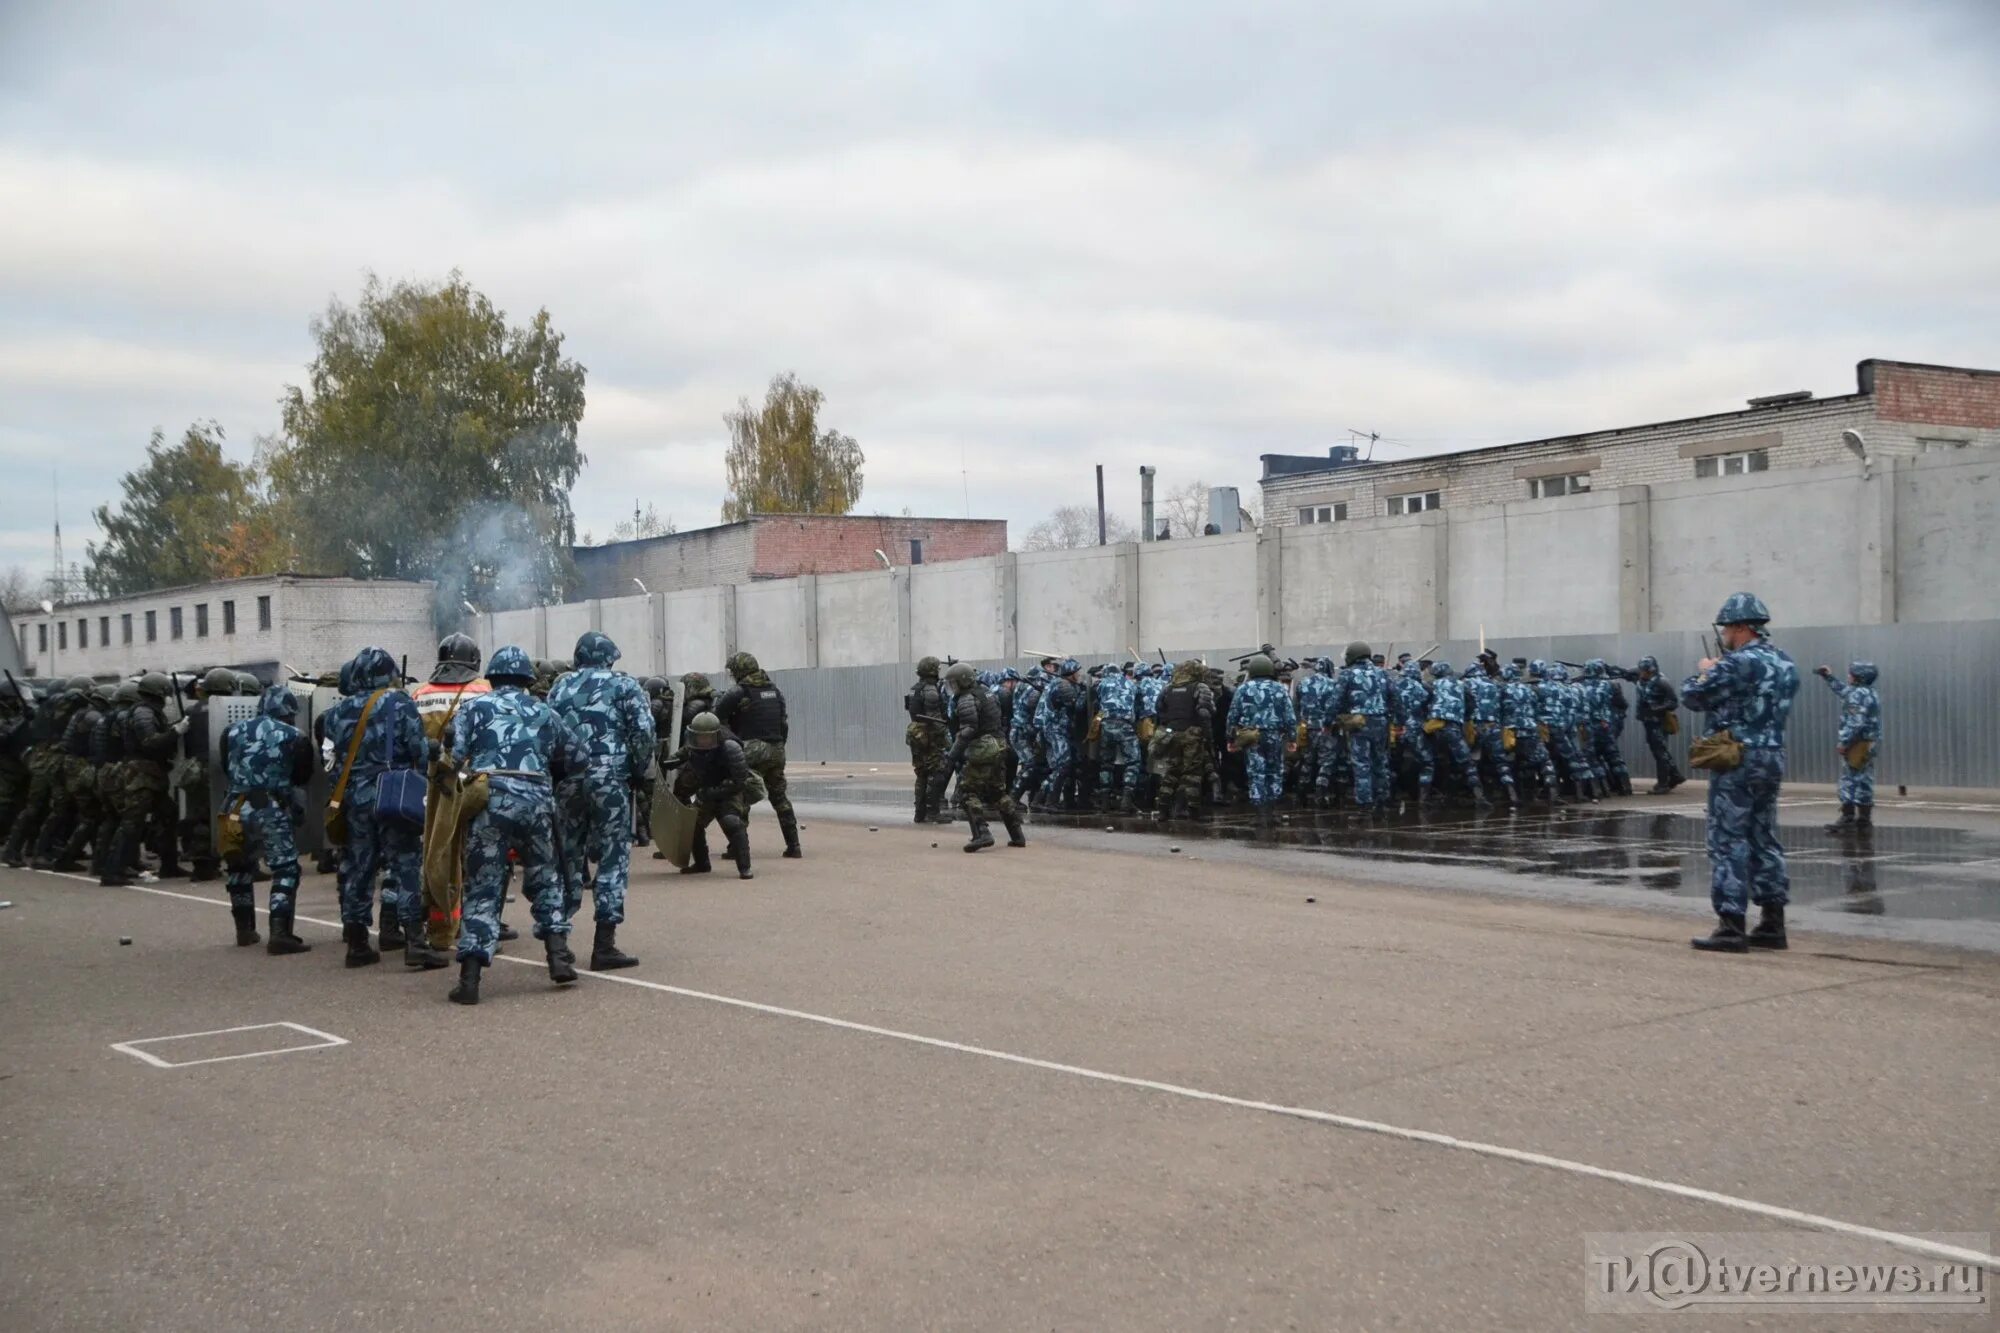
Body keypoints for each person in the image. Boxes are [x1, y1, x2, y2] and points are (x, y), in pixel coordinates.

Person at [446, 646, 588, 1004]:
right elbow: (577, 758)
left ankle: (470, 980)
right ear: (528, 679)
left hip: (489, 802)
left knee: (483, 886)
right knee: (545, 879)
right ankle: (558, 958)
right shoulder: (544, 711)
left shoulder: (472, 708)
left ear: (491, 677)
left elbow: (453, 755)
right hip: (537, 802)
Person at [1682, 592, 1800, 953]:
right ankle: (1772, 923)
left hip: (1737, 757)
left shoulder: (1738, 663)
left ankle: (1731, 925)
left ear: (1740, 627)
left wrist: (1706, 671)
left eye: (1728, 628)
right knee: (1764, 835)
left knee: (1728, 837)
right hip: (1771, 754)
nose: (1725, 635)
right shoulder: (1784, 661)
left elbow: (1692, 696)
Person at [546, 631, 654, 971]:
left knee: (567, 860)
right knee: (612, 857)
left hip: (567, 781)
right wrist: (637, 770)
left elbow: (546, 732)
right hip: (610, 780)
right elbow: (643, 732)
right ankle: (604, 946)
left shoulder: (559, 687)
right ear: (609, 657)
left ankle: (558, 946)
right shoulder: (625, 686)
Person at [323, 646, 426, 968]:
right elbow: (419, 750)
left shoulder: (336, 712)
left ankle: (356, 944)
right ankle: (414, 942)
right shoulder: (400, 702)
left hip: (354, 797)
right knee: (405, 865)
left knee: (358, 867)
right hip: (392, 793)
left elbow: (330, 759)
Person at [411, 632, 491, 965]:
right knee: (477, 859)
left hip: (432, 786)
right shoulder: (483, 690)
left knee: (438, 856)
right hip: (474, 784)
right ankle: (480, 927)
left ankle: (441, 931)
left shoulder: (419, 694)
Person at [218, 685, 317, 953]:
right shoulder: (295, 736)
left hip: (235, 806)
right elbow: (301, 777)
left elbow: (226, 767)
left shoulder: (232, 731)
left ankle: (245, 930)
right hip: (270, 807)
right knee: (285, 869)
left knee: (239, 866)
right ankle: (280, 932)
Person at [714, 651, 801, 859]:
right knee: (779, 797)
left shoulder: (739, 692)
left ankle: (738, 848)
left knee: (739, 796)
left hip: (752, 748)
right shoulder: (774, 691)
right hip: (777, 749)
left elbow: (717, 719)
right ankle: (794, 845)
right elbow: (784, 724)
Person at [941, 661, 1027, 851]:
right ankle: (1017, 835)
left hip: (983, 748)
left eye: (954, 683)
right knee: (997, 792)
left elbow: (967, 731)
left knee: (967, 792)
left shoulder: (967, 698)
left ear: (964, 681)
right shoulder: (987, 692)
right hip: (999, 745)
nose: (953, 688)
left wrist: (951, 756)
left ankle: (982, 834)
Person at [670, 711, 759, 879]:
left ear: (716, 735)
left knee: (732, 822)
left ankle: (744, 867)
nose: (703, 741)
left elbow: (739, 781)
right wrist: (671, 761)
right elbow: (683, 753)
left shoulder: (730, 747)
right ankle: (702, 863)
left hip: (729, 792)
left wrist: (714, 792)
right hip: (706, 792)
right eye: (700, 737)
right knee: (692, 823)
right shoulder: (693, 745)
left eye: (708, 738)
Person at [1226, 653, 1296, 821]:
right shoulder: (1279, 688)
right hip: (1274, 735)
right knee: (1274, 772)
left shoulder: (1243, 689)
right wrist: (1292, 738)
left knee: (1256, 772)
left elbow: (1232, 715)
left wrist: (1230, 739)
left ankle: (1260, 813)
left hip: (1252, 736)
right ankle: (1272, 812)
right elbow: (1289, 715)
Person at [1817, 661, 1882, 834]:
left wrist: (1844, 742)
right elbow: (1843, 691)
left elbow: (1856, 722)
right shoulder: (1869, 692)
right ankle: (1864, 819)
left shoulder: (1857, 695)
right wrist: (1828, 677)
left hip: (1857, 742)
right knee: (1864, 779)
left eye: (1851, 674)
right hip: (1869, 742)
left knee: (1849, 779)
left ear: (1859, 677)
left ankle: (1847, 817)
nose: (1849, 676)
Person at [1329, 642, 1391, 812]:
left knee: (1362, 764)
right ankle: (1383, 800)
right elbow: (1395, 698)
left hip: (1359, 723)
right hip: (1381, 722)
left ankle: (1365, 804)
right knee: (1380, 761)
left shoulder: (1347, 674)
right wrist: (1396, 720)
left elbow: (1336, 701)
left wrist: (1330, 721)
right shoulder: (1382, 673)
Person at [1151, 659, 1216, 819]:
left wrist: (1169, 723)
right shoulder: (1200, 687)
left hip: (1171, 734)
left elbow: (1158, 708)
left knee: (1171, 772)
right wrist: (1208, 735)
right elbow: (1205, 712)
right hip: (1192, 734)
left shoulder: (1168, 688)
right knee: (1192, 773)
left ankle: (1163, 810)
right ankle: (1194, 810)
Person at [904, 656, 951, 823]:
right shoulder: (930, 689)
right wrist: (946, 740)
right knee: (937, 772)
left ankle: (920, 812)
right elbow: (934, 718)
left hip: (916, 735)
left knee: (922, 773)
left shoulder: (915, 688)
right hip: (928, 735)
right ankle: (933, 811)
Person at [1630, 656, 1684, 794]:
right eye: (1642, 670)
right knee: (1659, 750)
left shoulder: (1662, 683)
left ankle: (1664, 783)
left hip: (1658, 721)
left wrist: (1657, 708)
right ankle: (1675, 776)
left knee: (1660, 752)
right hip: (1648, 721)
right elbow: (1626, 674)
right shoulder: (1640, 679)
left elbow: (1673, 702)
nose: (1643, 673)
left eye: (1646, 671)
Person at [1093, 660, 1141, 812]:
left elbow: (1095, 701)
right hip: (1125, 725)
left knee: (1106, 763)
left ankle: (1105, 801)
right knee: (1132, 762)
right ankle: (1127, 800)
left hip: (1106, 725)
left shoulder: (1101, 684)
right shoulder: (1131, 684)